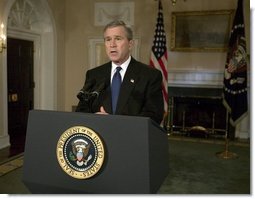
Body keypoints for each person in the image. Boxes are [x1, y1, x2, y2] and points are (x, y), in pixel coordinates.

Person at [76, 20, 164, 124]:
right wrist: (95, 118)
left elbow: (154, 116)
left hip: (131, 138)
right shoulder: (94, 75)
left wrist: (117, 123)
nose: (112, 44)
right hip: (99, 135)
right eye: (108, 39)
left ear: (130, 44)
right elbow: (81, 110)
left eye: (118, 39)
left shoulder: (150, 75)